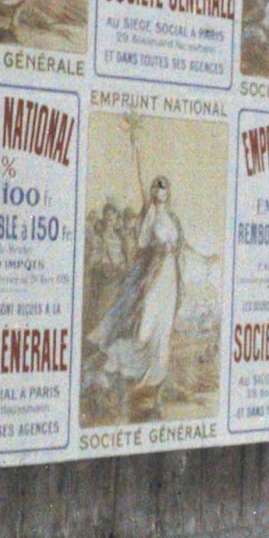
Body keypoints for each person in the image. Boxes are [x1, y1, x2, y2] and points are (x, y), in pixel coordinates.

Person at [87, 175, 185, 422]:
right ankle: (122, 366)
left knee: (163, 330)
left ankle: (155, 383)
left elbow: (182, 246)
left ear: (168, 192)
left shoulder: (172, 218)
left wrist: (205, 260)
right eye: (157, 187)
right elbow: (144, 247)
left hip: (170, 277)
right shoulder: (151, 215)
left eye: (164, 188)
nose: (161, 191)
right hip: (154, 274)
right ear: (153, 192)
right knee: (144, 328)